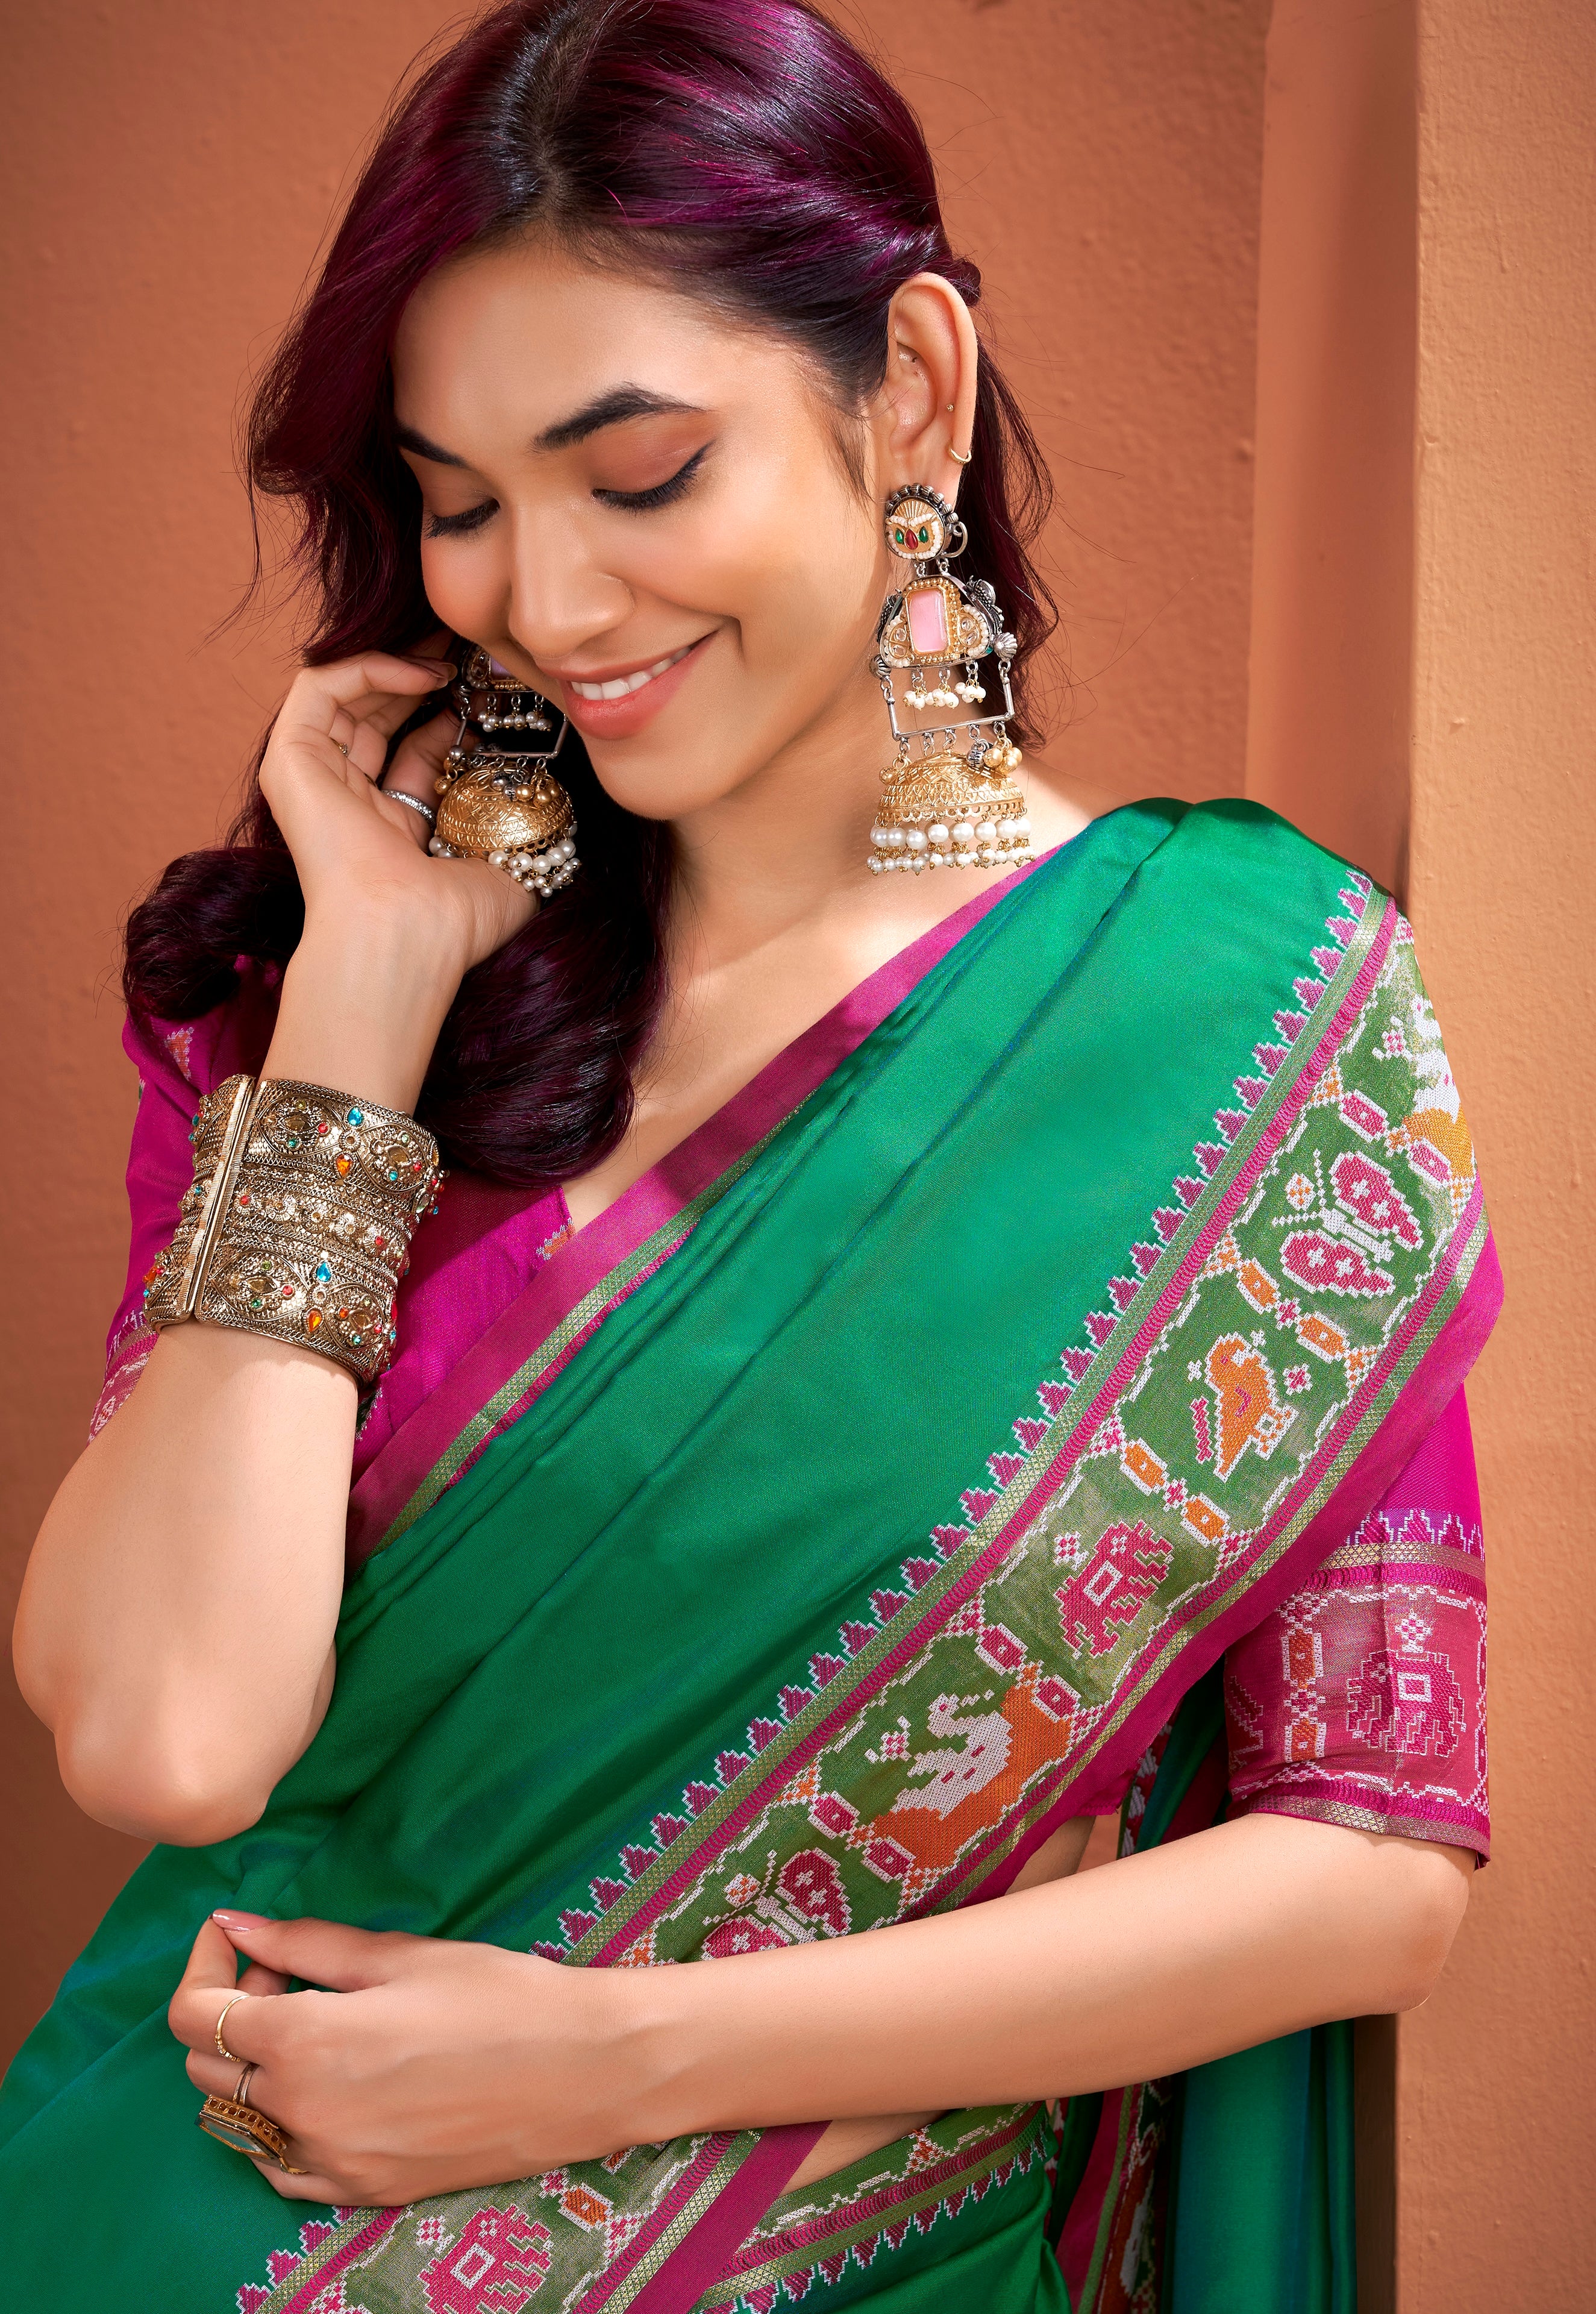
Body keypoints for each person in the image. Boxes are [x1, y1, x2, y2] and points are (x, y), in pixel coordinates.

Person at [2, 4, 1497, 2307]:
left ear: (907, 390)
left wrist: (613, 2061)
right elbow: (167, 1737)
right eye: (459, 502)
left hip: (819, 2247)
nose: (544, 602)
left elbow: (1369, 1864)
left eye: (638, 472)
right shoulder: (322, 1011)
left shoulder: (1240, 1021)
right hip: (180, 2229)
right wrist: (370, 998)